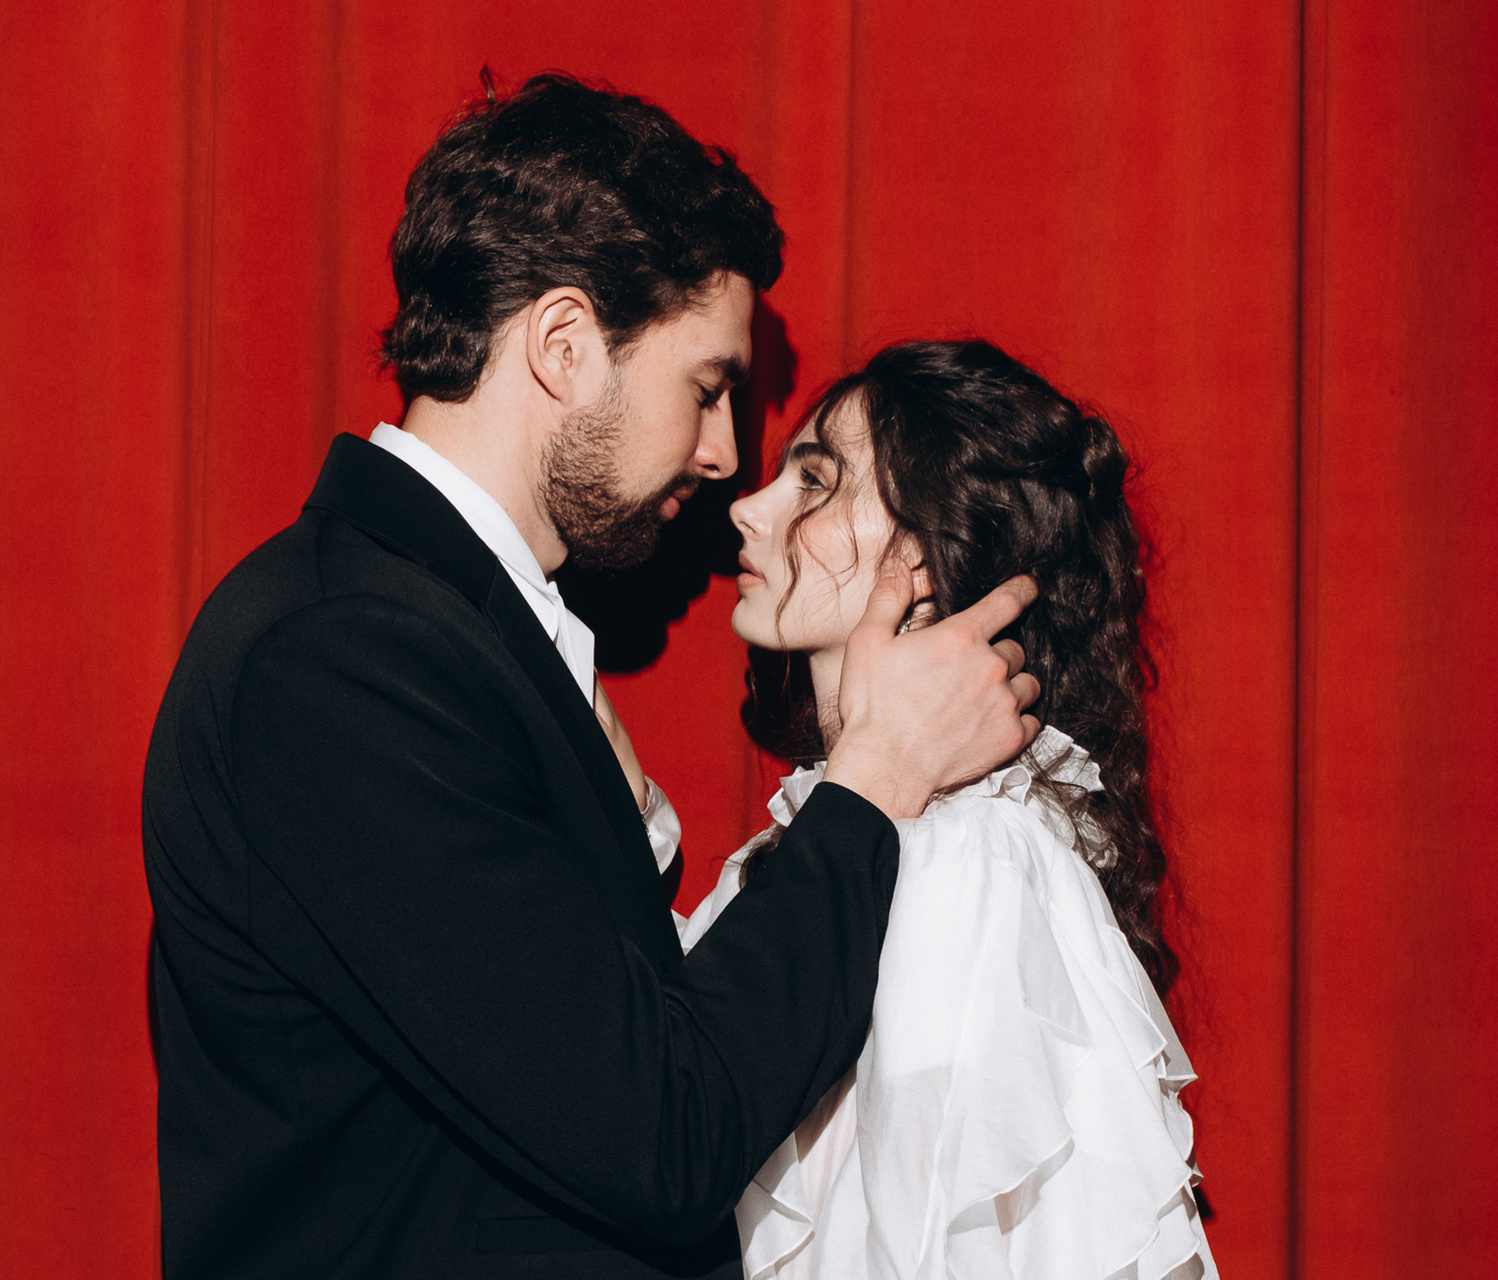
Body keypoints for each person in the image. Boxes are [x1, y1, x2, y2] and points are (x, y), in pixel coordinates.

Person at [141, 76, 1041, 1278]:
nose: (724, 455)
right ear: (563, 346)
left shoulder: (446, 631)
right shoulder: (340, 657)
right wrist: (876, 773)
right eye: (707, 388)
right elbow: (662, 1133)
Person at [673, 340, 1215, 1279]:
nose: (748, 509)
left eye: (814, 482)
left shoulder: (961, 859)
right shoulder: (840, 835)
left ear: (921, 560)